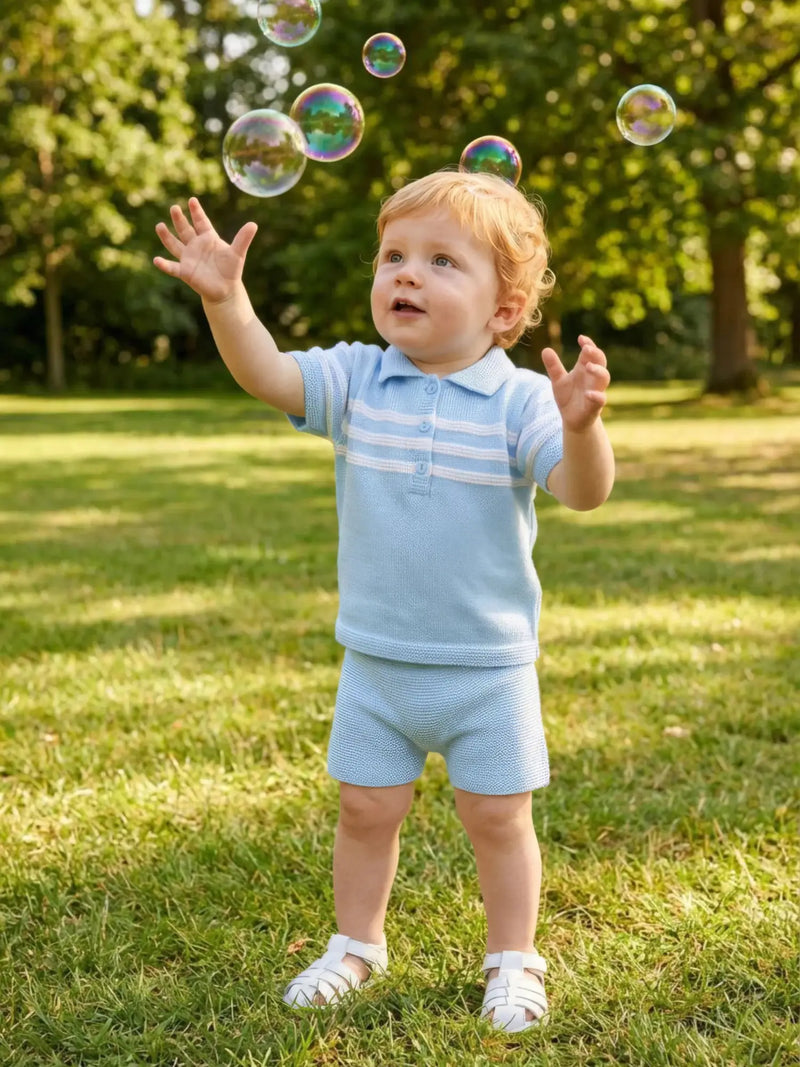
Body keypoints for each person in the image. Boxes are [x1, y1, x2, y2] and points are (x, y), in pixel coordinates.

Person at [153, 169, 614, 1033]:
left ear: (504, 311)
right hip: (378, 662)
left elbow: (582, 493)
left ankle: (514, 957)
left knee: (497, 817)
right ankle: (357, 943)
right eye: (394, 255)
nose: (406, 273)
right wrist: (225, 302)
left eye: (442, 261)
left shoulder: (521, 401)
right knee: (366, 808)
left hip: (487, 668)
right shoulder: (359, 380)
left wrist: (583, 428)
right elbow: (269, 375)